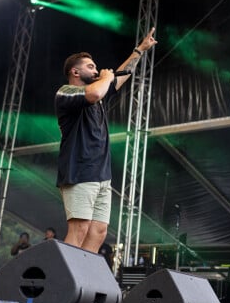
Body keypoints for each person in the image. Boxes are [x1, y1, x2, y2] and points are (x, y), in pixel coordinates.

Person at [55, 27, 158, 253]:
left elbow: (119, 79)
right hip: (79, 170)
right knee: (79, 229)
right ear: (75, 71)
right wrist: (106, 77)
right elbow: (95, 93)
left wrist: (139, 51)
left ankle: (82, 280)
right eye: (89, 66)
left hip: (101, 174)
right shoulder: (66, 92)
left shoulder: (97, 91)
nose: (94, 69)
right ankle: (62, 283)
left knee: (99, 231)